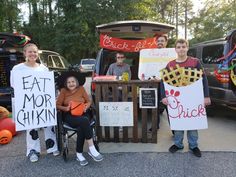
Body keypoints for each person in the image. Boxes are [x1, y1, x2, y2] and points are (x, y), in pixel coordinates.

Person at [161, 39, 211, 157]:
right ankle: (178, 144)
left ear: (187, 48)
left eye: (183, 46)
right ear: (175, 49)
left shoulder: (195, 62)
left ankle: (193, 145)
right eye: (179, 47)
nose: (181, 49)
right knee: (178, 123)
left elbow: (203, 79)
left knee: (192, 122)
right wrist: (163, 96)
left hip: (193, 98)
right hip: (178, 99)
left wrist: (206, 96)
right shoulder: (170, 64)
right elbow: (164, 81)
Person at [10, 43, 59, 162]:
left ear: (38, 54)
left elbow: (48, 86)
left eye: (35, 52)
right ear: (25, 53)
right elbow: (14, 85)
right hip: (28, 102)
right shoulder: (17, 69)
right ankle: (33, 151)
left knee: (48, 123)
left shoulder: (43, 68)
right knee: (31, 127)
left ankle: (52, 147)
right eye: (30, 52)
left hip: (43, 102)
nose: (33, 54)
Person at [56, 72, 103, 166]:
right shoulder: (63, 91)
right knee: (84, 121)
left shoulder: (81, 89)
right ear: (66, 84)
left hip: (83, 112)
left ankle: (79, 154)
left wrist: (86, 106)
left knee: (82, 126)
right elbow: (57, 105)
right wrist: (66, 108)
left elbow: (89, 101)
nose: (71, 84)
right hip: (69, 115)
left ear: (76, 82)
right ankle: (91, 148)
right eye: (69, 82)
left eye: (73, 81)